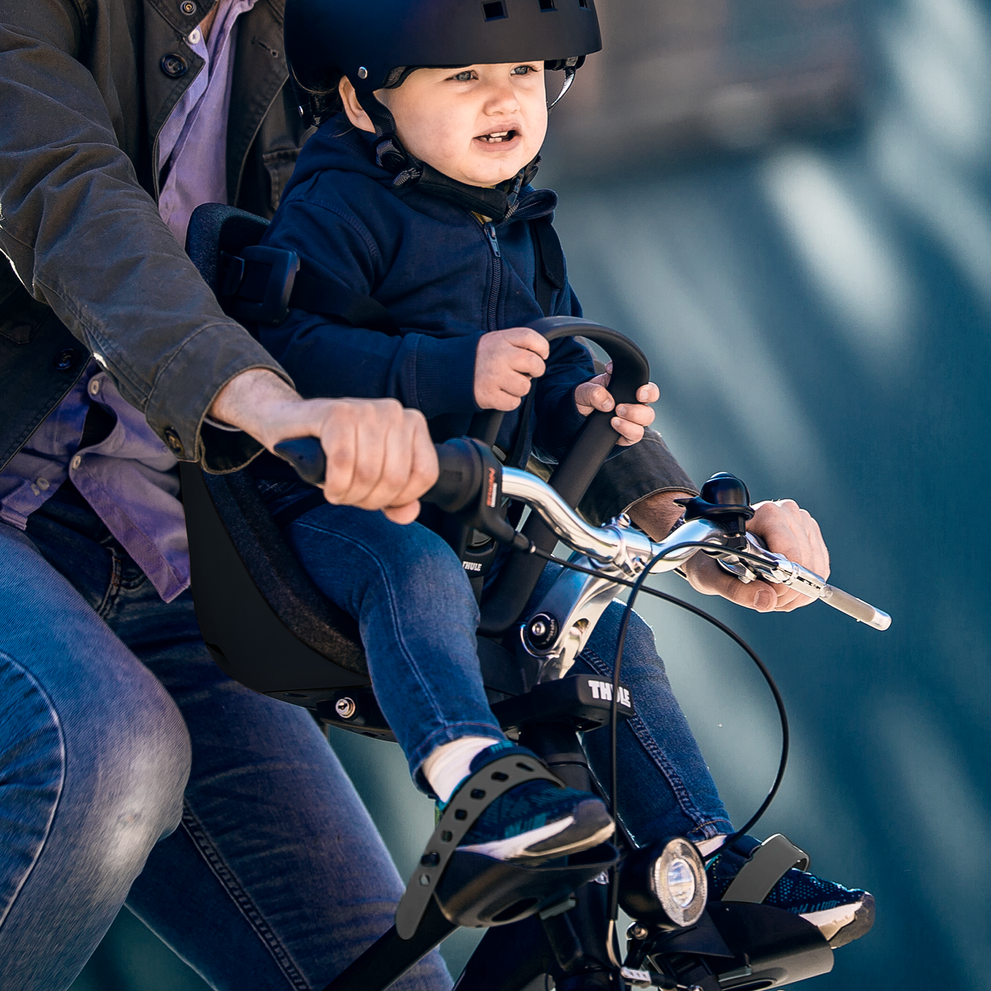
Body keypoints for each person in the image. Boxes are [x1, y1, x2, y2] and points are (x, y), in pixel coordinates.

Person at [247, 0, 875, 951]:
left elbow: (550, 372)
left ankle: (696, 860)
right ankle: (475, 791)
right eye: (463, 76)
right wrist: (447, 369)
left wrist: (583, 409)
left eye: (527, 74)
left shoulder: (517, 223)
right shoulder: (338, 203)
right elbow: (285, 350)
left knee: (602, 624)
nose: (505, 98)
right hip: (331, 512)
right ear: (361, 100)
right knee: (408, 569)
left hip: (478, 514)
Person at [0, 2, 450, 990]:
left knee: (390, 973)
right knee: (105, 746)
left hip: (150, 552)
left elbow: (438, 253)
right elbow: (59, 195)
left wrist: (658, 497)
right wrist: (267, 403)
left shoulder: (316, 37)